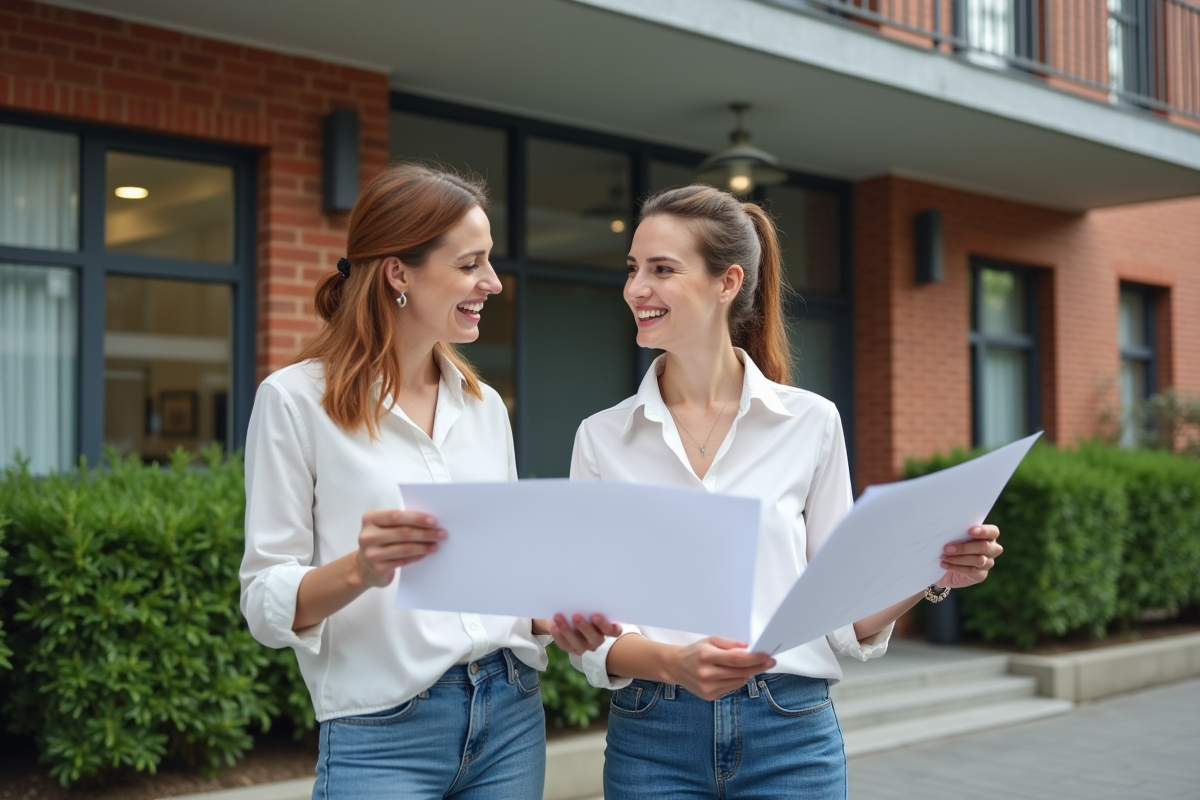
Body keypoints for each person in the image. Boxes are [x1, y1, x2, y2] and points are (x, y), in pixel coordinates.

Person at [570, 184, 1005, 800]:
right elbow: (591, 626)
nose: (636, 287)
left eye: (662, 269)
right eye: (634, 268)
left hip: (791, 732)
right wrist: (673, 664)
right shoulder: (601, 438)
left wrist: (934, 570)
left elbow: (838, 612)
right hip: (653, 734)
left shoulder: (811, 423)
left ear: (727, 283)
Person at [239, 163, 617, 800]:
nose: (492, 283)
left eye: (488, 263)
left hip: (510, 716)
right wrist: (360, 568)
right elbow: (263, 601)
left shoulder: (484, 406)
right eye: (470, 265)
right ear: (398, 273)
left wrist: (554, 615)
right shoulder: (294, 401)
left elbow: (502, 576)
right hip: (382, 731)